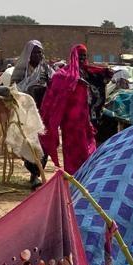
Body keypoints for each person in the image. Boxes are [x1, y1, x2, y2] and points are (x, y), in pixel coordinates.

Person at [38, 44, 101, 174]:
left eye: (84, 56)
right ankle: (73, 176)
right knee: (73, 150)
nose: (82, 59)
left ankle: (85, 176)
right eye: (80, 56)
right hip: (70, 122)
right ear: (73, 56)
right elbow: (55, 92)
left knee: (88, 148)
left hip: (85, 120)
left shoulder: (88, 73)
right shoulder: (63, 75)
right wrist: (75, 82)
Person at [10, 40, 54, 187]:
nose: (38, 55)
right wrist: (28, 87)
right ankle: (34, 173)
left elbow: (55, 85)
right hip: (26, 112)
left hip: (43, 112)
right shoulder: (21, 70)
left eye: (40, 52)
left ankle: (37, 173)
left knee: (43, 143)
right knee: (29, 142)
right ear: (28, 54)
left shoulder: (46, 70)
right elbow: (13, 89)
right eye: (35, 52)